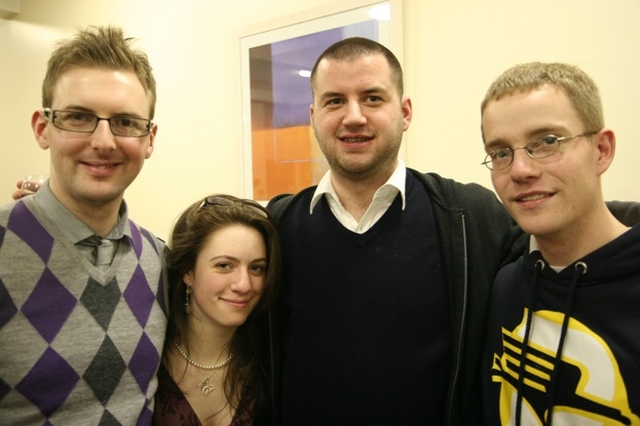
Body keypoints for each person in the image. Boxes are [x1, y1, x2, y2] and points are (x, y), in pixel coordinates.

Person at [265, 36, 525, 425]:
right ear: (313, 115)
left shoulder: (471, 217)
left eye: (372, 98)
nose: (354, 116)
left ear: (404, 112)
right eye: (335, 100)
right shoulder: (276, 228)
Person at [0, 26, 166, 425]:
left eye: (125, 122)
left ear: (149, 139)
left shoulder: (162, 261)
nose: (104, 141)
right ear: (44, 128)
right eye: (79, 117)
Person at [480, 62, 640, 425]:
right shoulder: (505, 287)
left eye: (548, 142)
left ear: (601, 150)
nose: (520, 170)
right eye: (502, 152)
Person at [152, 194, 280, 426]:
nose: (244, 285)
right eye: (224, 265)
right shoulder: (148, 357)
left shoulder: (270, 361)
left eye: (256, 268)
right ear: (187, 272)